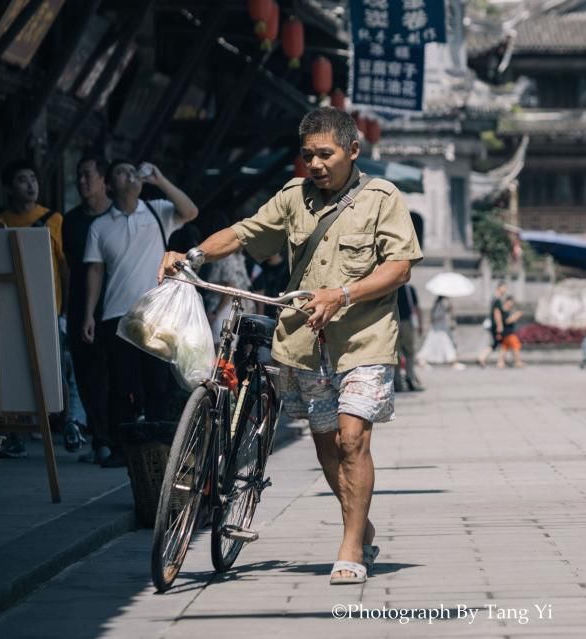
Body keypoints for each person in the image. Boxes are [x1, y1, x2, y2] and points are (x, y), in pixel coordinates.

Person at [158, 107, 423, 585]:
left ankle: (349, 547)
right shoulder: (293, 198)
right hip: (305, 342)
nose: (316, 164)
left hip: (363, 338)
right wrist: (191, 254)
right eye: (308, 156)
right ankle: (360, 526)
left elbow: (399, 268)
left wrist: (342, 293)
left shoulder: (383, 198)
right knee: (326, 446)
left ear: (353, 151)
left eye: (326, 154)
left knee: (351, 438)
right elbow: (243, 233)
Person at [82, 160, 198, 468]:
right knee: (122, 386)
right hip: (116, 316)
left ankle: (159, 447)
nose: (129, 175)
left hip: (156, 313)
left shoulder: (158, 211)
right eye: (121, 172)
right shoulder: (100, 226)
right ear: (109, 185)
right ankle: (124, 448)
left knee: (157, 384)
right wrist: (89, 314)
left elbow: (190, 211)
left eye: (132, 171)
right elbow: (94, 270)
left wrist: (160, 180)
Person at [0, 160, 73, 458]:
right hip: (8, 307)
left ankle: (62, 424)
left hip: (48, 305)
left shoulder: (54, 219)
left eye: (32, 179)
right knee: (10, 368)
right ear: (9, 187)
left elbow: (64, 268)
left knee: (53, 369)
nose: (29, 184)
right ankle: (15, 430)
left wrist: (65, 306)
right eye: (22, 179)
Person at [63, 155, 113, 464]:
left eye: (87, 175)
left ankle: (113, 438)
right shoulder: (71, 220)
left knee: (113, 375)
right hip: (80, 303)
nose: (82, 182)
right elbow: (71, 267)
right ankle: (100, 438)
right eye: (78, 176)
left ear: (103, 180)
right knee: (85, 375)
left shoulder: (117, 216)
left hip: (115, 304)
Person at [416, 296, 465, 369]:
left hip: (440, 327)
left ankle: (452, 360)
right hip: (440, 327)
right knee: (444, 343)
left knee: (437, 344)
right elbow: (437, 316)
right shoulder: (441, 303)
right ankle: (453, 361)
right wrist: (448, 310)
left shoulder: (439, 303)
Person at [395, 283, 424, 391]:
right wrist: (420, 324)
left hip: (394, 322)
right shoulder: (409, 289)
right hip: (405, 322)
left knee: (396, 355)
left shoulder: (392, 287)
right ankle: (409, 378)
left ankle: (397, 382)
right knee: (409, 353)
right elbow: (417, 308)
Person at [476, 281, 508, 368]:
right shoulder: (497, 300)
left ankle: (482, 357)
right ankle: (500, 362)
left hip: (494, 324)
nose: (505, 289)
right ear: (499, 288)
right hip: (497, 325)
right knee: (501, 343)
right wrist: (500, 326)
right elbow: (497, 313)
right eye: (504, 287)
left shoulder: (494, 299)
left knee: (495, 343)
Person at [498, 295, 525, 368]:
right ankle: (518, 362)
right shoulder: (504, 310)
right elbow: (507, 321)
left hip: (506, 333)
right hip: (509, 333)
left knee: (504, 348)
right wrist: (516, 316)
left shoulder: (506, 310)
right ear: (507, 301)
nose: (512, 304)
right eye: (511, 302)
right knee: (516, 346)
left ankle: (501, 362)